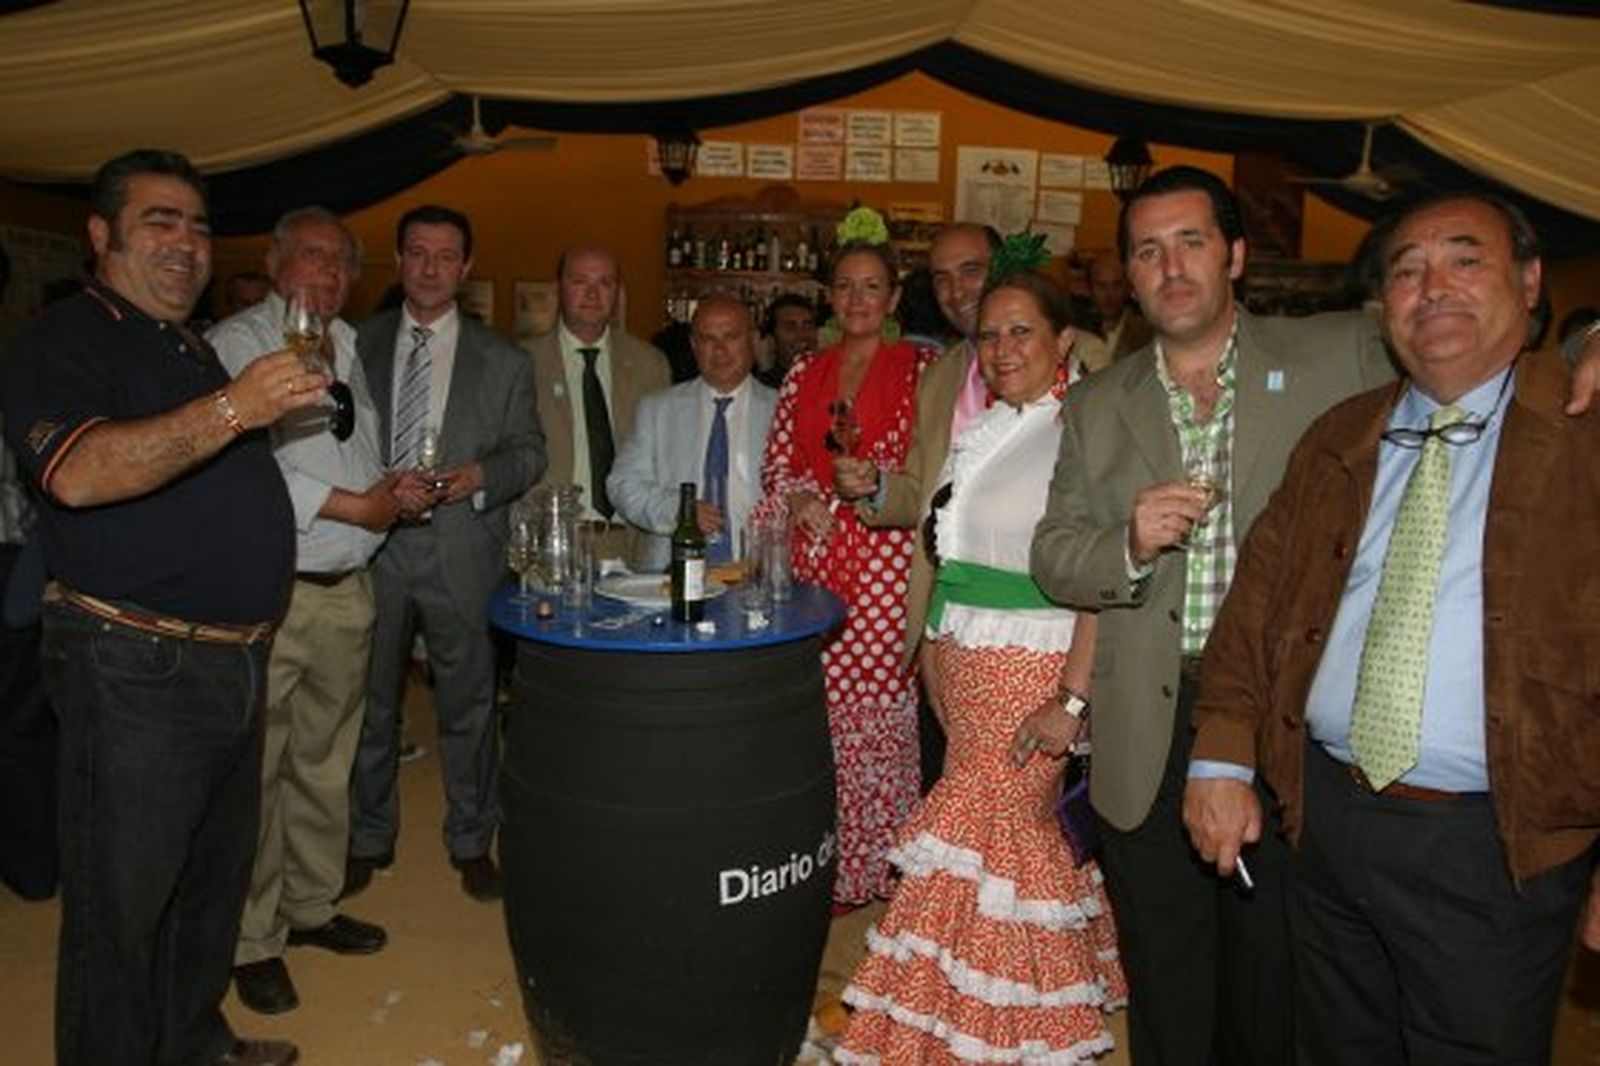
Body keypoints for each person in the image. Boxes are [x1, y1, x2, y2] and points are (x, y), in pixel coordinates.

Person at [1030, 165, 1600, 1066]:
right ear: (1128, 277)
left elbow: (1472, 355)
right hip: (1171, 719)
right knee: (1195, 985)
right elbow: (1055, 553)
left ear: (1237, 256)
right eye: (1147, 251)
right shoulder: (1101, 401)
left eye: (1192, 243)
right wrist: (1128, 544)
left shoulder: (1344, 356)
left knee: (1281, 988)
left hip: (1302, 739)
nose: (1171, 268)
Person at [0, 148, 322, 1066]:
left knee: (206, 888)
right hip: (134, 661)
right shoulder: (62, 340)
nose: (185, 244)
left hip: (232, 658)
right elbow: (79, 473)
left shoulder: (180, 343)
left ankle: (191, 1044)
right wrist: (236, 407)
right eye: (159, 221)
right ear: (100, 234)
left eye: (199, 225)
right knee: (123, 909)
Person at [837, 265, 1125, 1063]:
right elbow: (951, 544)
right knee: (994, 846)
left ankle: (996, 1038)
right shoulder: (991, 426)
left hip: (1030, 673)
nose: (1001, 348)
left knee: (990, 841)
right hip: (962, 669)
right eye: (989, 333)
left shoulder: (1082, 431)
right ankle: (986, 1024)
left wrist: (1071, 701)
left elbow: (1102, 576)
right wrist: (933, 651)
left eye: (1022, 330)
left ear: (1066, 340)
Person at [209, 207, 403, 1015]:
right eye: (312, 258)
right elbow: (238, 467)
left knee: (327, 757)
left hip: (348, 591)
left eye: (340, 265)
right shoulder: (239, 345)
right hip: (277, 591)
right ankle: (252, 940)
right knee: (261, 770)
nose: (326, 275)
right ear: (275, 258)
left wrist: (388, 492)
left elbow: (351, 446)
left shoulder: (345, 344)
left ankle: (311, 906)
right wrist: (352, 507)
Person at [347, 204, 545, 903]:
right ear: (398, 262)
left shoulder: (504, 359)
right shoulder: (353, 345)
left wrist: (479, 477)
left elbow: (529, 452)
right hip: (373, 546)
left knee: (467, 705)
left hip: (463, 547)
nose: (430, 268)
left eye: (445, 256)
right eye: (417, 253)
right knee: (370, 703)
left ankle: (470, 839)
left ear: (465, 270)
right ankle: (367, 837)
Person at [761, 207, 936, 908]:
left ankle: (880, 866)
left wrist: (876, 486)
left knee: (880, 721)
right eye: (845, 286)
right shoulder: (805, 372)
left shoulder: (924, 368)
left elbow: (930, 467)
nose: (858, 300)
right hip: (815, 561)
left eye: (873, 287)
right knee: (819, 719)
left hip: (888, 564)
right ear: (830, 295)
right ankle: (827, 861)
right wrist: (801, 500)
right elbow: (778, 466)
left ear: (894, 299)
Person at [523, 244, 670, 563]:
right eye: (580, 281)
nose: (592, 294)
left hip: (630, 546)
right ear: (558, 288)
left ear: (618, 292)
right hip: (551, 544)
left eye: (605, 283)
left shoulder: (651, 365)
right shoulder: (521, 363)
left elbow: (665, 458)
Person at [608, 294, 777, 570]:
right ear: (693, 345)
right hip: (673, 575)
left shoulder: (783, 410)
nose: (719, 350)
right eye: (707, 339)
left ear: (753, 340)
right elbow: (622, 485)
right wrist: (678, 511)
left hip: (758, 576)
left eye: (730, 336)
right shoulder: (658, 409)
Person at [1088, 247, 1153, 362]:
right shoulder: (1076, 331)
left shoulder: (1147, 333)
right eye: (1101, 286)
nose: (1109, 295)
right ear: (1089, 288)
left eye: (1117, 285)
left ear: (1128, 287)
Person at [756, 292, 818, 388]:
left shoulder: (833, 381)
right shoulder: (762, 387)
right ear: (772, 337)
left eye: (808, 325)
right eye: (790, 327)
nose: (801, 334)